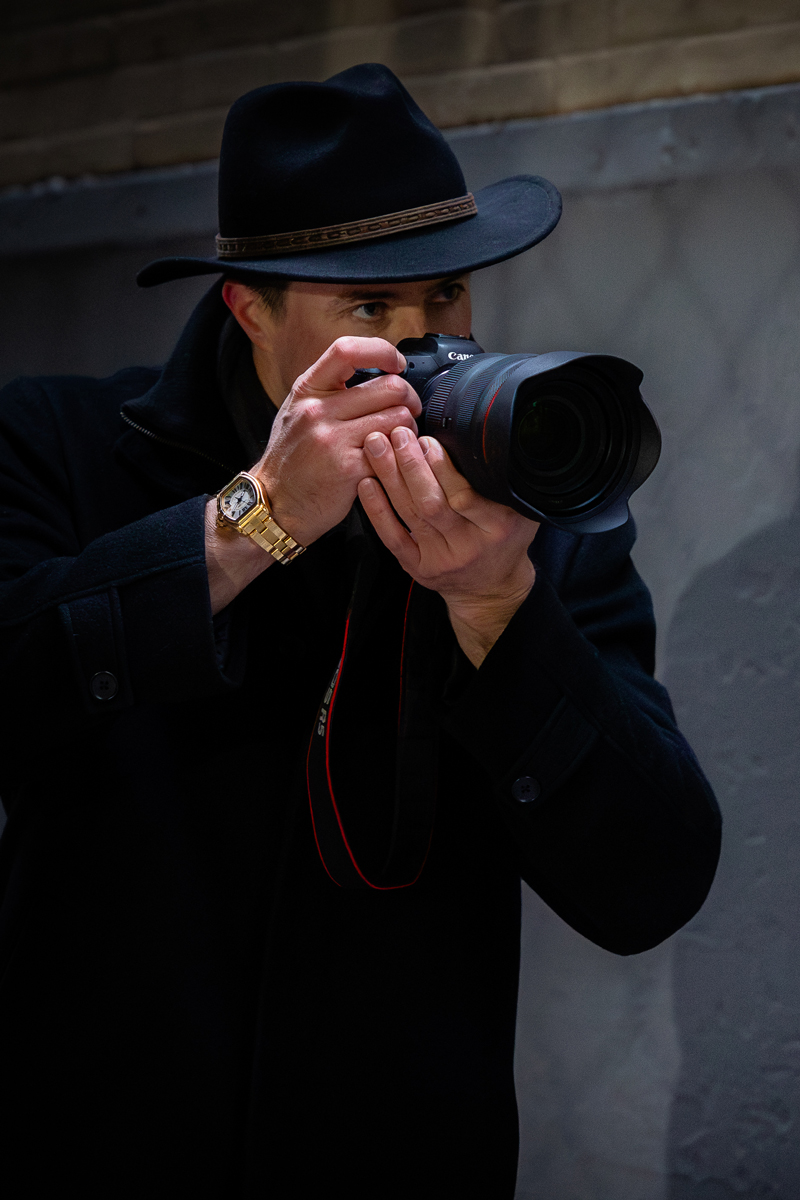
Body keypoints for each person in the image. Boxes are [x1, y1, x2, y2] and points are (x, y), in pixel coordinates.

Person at [0, 64, 720, 1198]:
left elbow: (652, 881)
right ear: (250, 311)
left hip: (396, 1150)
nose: (424, 345)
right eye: (370, 310)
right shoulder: (57, 443)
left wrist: (496, 611)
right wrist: (252, 525)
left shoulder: (532, 532)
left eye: (444, 300)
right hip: (100, 1139)